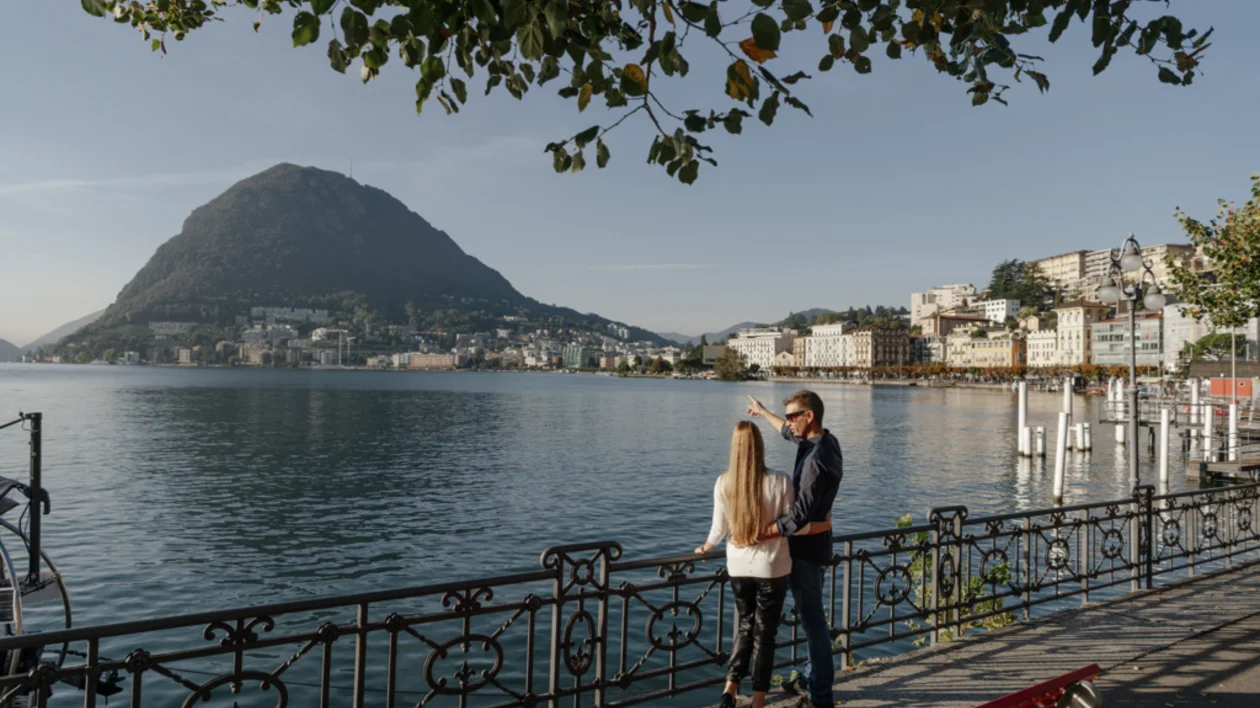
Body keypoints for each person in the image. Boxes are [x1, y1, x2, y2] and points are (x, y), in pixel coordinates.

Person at [695, 422, 832, 708]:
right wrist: (821, 525)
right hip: (772, 567)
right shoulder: (780, 481)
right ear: (760, 446)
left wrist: (706, 547)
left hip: (738, 565)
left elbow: (718, 528)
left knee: (745, 627)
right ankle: (758, 701)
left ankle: (730, 690)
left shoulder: (723, 482)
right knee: (765, 635)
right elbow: (792, 525)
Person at [747, 390, 843, 708]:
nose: (788, 423)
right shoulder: (826, 441)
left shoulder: (815, 461)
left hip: (804, 551)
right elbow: (788, 434)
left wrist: (765, 532)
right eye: (786, 416)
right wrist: (762, 412)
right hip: (818, 545)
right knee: (814, 619)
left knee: (813, 623)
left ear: (809, 416)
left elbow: (799, 515)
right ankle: (811, 678)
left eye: (792, 416)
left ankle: (820, 696)